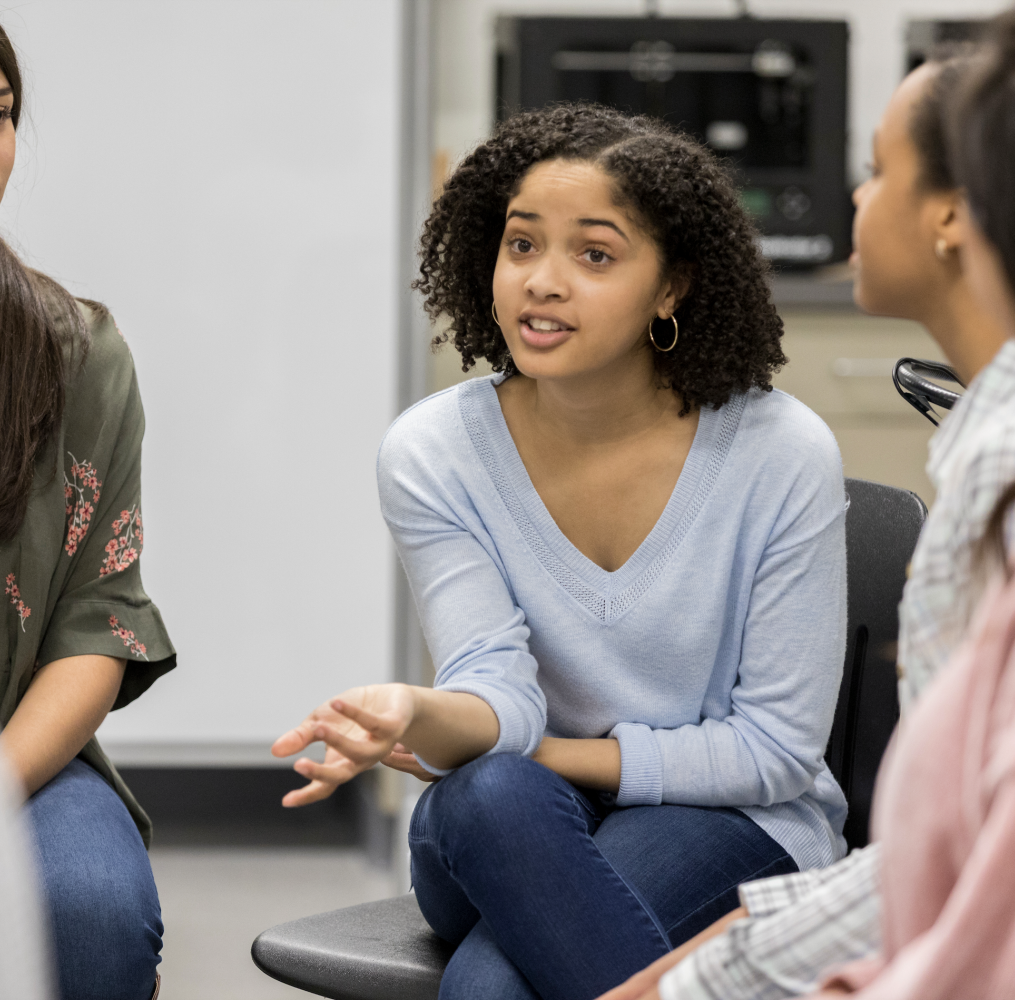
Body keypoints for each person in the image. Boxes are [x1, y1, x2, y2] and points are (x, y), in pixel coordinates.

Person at [275, 104, 849, 1000]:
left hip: (731, 818)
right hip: (497, 823)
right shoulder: (435, 453)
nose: (541, 283)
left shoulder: (779, 453)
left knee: (491, 983)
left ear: (671, 288)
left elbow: (773, 751)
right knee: (489, 799)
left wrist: (547, 756)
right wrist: (416, 711)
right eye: (520, 246)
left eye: (594, 254)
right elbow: (494, 691)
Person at [600, 46, 1015, 1000]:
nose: (856, 202)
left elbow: (962, 882)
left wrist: (689, 987)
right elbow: (930, 853)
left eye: (878, 172)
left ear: (948, 214)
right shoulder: (980, 450)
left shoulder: (999, 481)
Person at [0, 23, 175, 1000]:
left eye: (1, 114)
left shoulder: (77, 354)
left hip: (17, 750)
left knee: (92, 913)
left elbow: (96, 626)